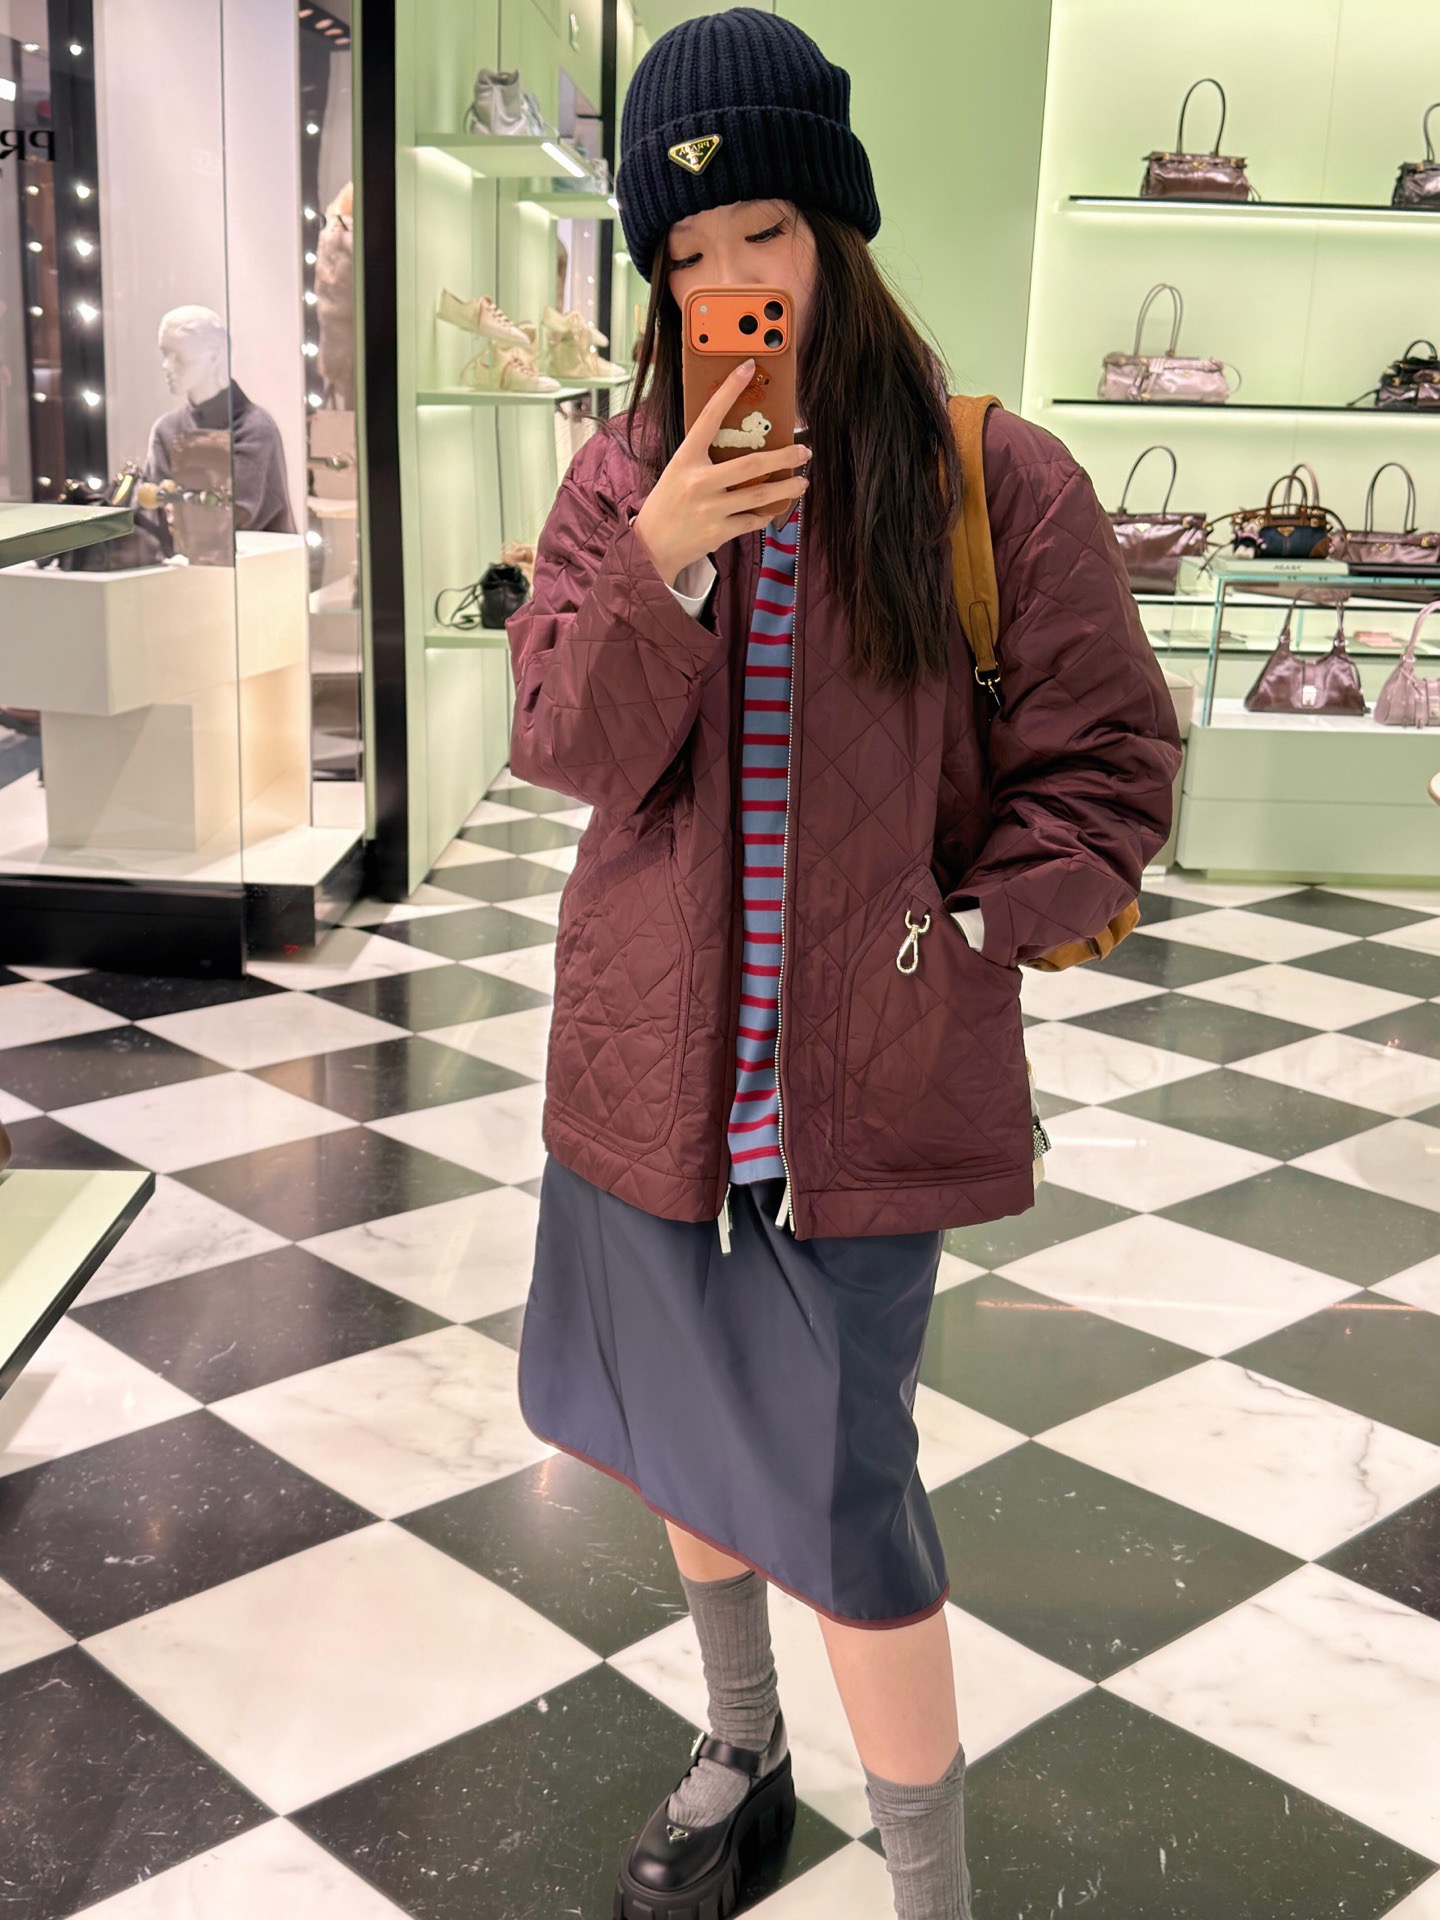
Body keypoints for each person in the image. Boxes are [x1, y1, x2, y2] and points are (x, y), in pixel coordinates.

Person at [506, 12, 1181, 1919]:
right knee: (676, 1439)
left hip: (861, 1085)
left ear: (838, 236)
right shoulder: (619, 478)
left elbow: (1110, 758)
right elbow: (565, 743)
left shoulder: (990, 478)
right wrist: (661, 559)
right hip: (650, 1067)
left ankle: (927, 1889)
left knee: (843, 1499)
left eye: (767, 233)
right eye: (687, 254)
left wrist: (969, 927)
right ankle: (741, 1746)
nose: (731, 281)